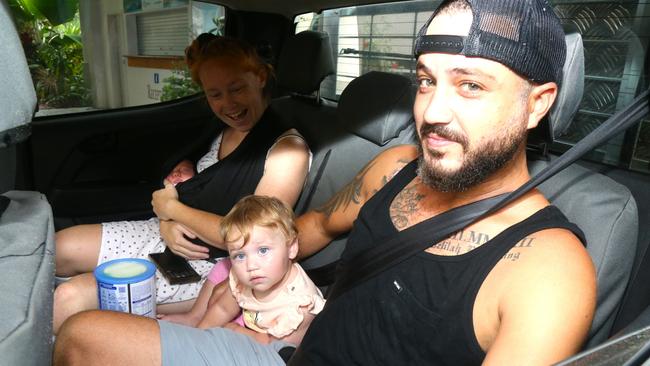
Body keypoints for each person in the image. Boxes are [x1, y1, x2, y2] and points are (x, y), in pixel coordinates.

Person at [53, 1, 597, 365]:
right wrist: (245, 273)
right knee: (83, 337)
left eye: (471, 85)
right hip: (289, 349)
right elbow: (308, 227)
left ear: (538, 104)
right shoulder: (395, 167)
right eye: (427, 80)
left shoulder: (548, 267)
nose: (434, 110)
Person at [52, 34, 311, 333]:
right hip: (165, 233)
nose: (228, 104)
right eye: (215, 94)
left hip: (212, 266)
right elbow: (188, 179)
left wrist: (172, 208)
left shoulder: (287, 152)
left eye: (237, 88)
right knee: (60, 247)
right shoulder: (222, 125)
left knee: (73, 295)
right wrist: (166, 220)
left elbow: (251, 237)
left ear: (261, 77)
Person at [161, 195, 324, 350]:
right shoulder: (250, 276)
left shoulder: (299, 307)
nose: (251, 265)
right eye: (240, 255)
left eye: (263, 250)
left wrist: (231, 329)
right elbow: (223, 309)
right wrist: (197, 338)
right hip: (252, 327)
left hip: (277, 352)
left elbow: (273, 348)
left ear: (291, 248)